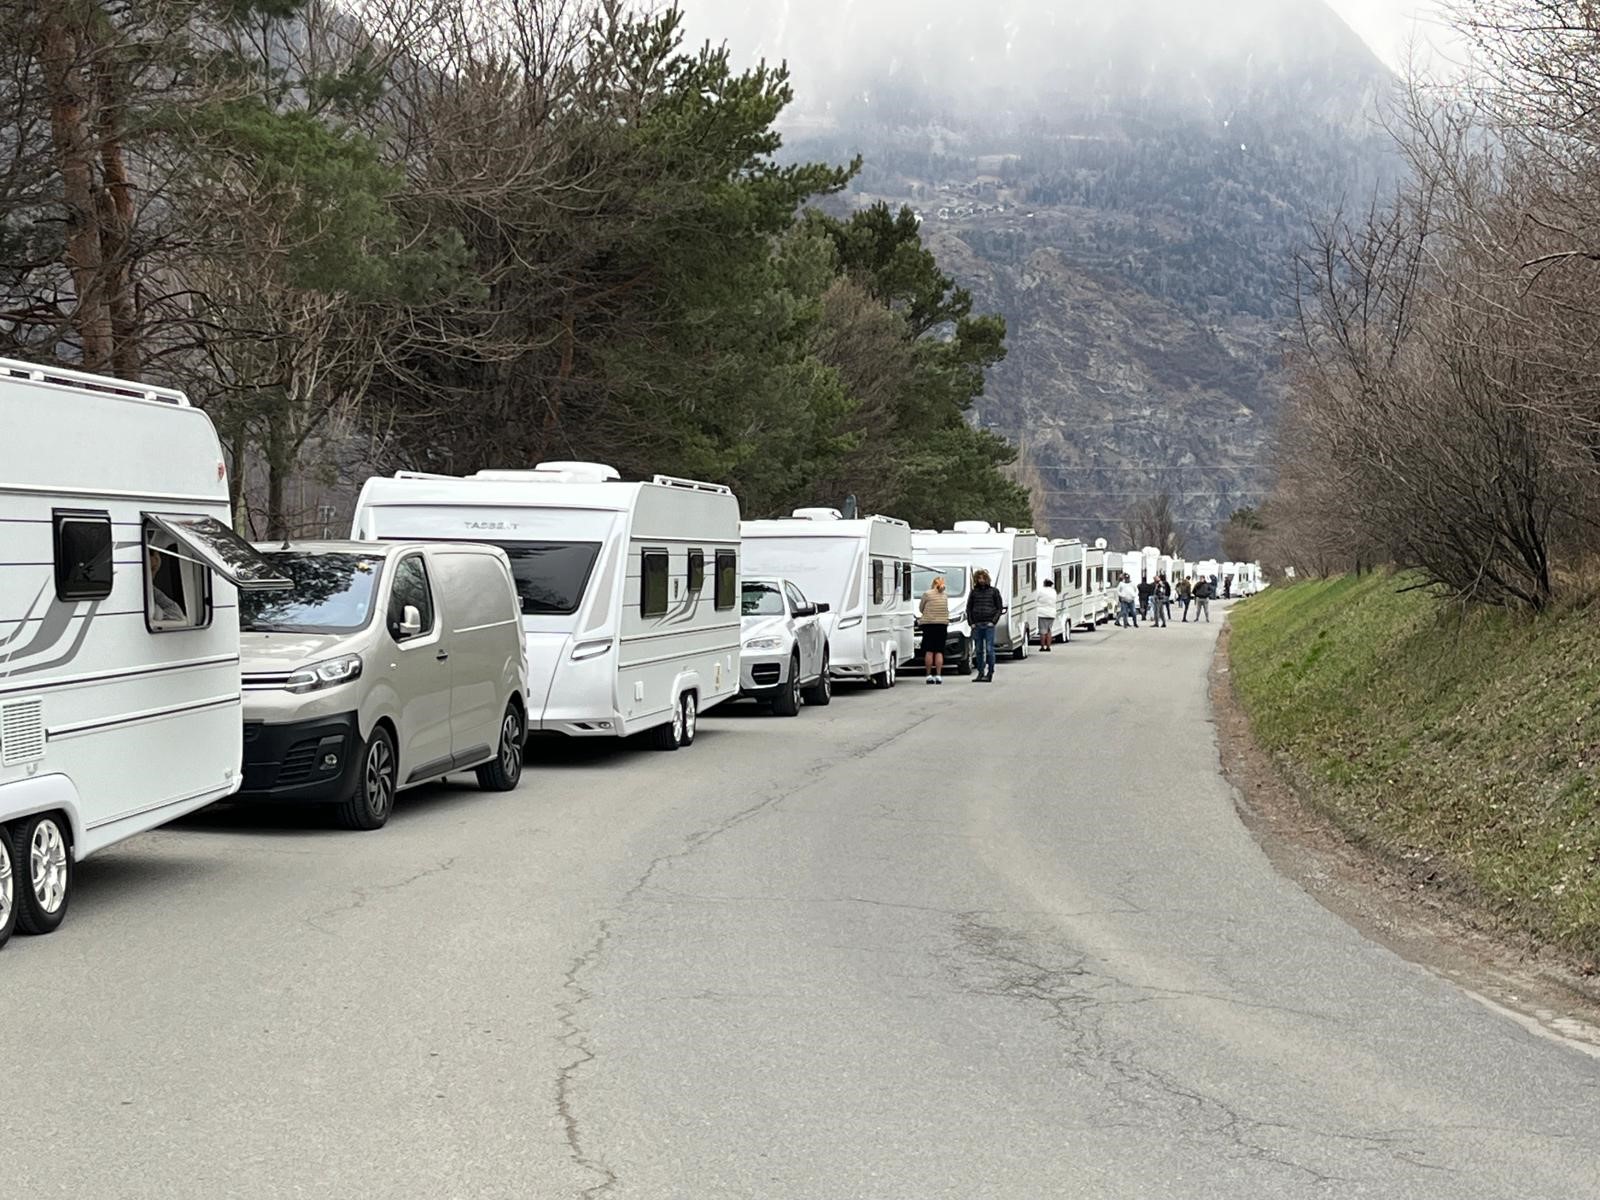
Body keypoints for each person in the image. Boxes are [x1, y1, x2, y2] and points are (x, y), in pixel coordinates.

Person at [966, 568, 1005, 682]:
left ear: (987, 579)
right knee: (978, 650)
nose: (981, 580)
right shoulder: (974, 592)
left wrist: (993, 621)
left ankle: (990, 671)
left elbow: (999, 608)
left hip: (988, 625)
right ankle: (980, 672)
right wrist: (971, 622)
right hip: (977, 624)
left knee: (989, 649)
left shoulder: (994, 591)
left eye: (983, 578)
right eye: (979, 578)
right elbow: (969, 608)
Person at [919, 575, 950, 684]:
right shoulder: (945, 596)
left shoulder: (927, 594)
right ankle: (938, 675)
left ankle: (928, 674)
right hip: (942, 625)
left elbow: (921, 608)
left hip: (929, 625)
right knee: (939, 651)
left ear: (933, 584)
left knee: (929, 650)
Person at [147, 545, 186, 623]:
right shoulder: (147, 590)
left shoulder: (152, 591)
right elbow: (177, 615)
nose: (152, 575)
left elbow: (177, 615)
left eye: (154, 570)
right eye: (152, 569)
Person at [1034, 576, 1058, 651]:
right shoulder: (1053, 591)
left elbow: (1036, 599)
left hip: (1042, 613)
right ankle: (1048, 646)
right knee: (1049, 630)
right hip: (1052, 613)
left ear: (1044, 583)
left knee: (1042, 631)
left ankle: (1042, 647)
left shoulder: (1041, 591)